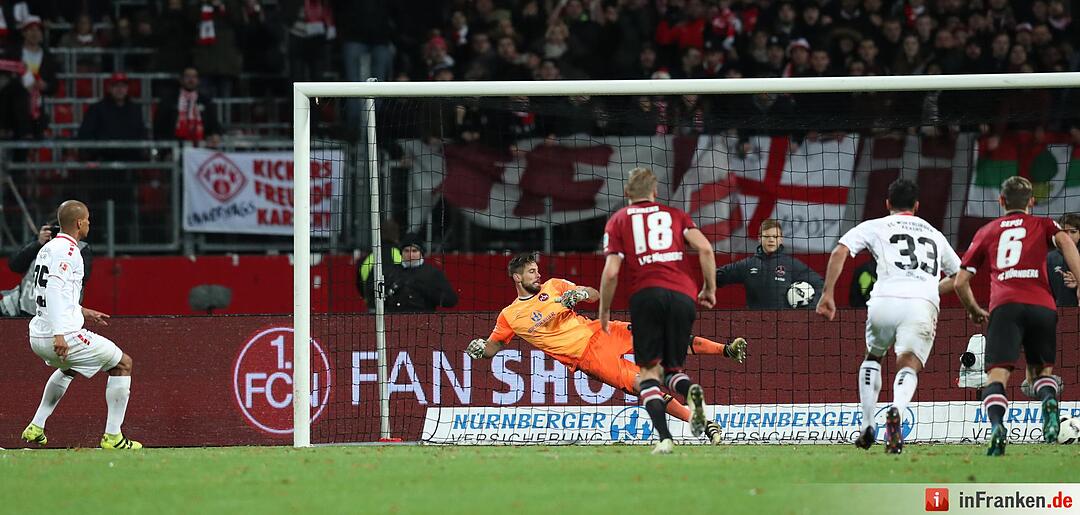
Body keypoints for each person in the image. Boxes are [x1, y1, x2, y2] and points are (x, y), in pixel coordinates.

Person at [466, 253, 745, 446]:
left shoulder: (554, 285)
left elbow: (593, 293)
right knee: (644, 385)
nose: (538, 274)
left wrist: (580, 294)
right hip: (589, 358)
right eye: (531, 271)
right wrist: (479, 348)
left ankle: (726, 350)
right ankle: (703, 423)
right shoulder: (510, 316)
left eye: (537, 269)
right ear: (517, 278)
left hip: (602, 330)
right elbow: (492, 348)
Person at [816, 179, 962, 454]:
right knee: (908, 364)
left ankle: (867, 424)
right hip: (921, 304)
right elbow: (959, 276)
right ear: (917, 206)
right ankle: (897, 409)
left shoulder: (876, 225)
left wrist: (827, 294)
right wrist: (930, 288)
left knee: (874, 356)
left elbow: (840, 251)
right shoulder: (935, 234)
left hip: (883, 300)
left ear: (887, 204)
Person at [953, 176, 1080, 456]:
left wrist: (974, 310)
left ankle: (998, 427)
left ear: (1001, 201)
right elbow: (1067, 245)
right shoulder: (1045, 224)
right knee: (1040, 372)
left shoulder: (988, 230)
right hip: (1042, 305)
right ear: (1032, 202)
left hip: (1005, 306)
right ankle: (1048, 400)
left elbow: (961, 281)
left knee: (996, 376)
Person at [598, 167, 718, 455]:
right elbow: (705, 249)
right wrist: (709, 289)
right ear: (655, 193)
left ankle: (664, 439)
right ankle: (691, 392)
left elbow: (612, 272)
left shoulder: (618, 220)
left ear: (627, 194)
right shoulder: (676, 215)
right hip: (683, 295)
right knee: (672, 370)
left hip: (647, 295)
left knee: (649, 374)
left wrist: (604, 310)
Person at [21, 200, 142, 450]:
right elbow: (53, 289)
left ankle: (36, 426)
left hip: (37, 334)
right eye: (87, 219)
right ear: (78, 223)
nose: (89, 223)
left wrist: (83, 311)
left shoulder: (47, 248)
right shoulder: (68, 251)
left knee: (69, 368)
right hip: (61, 335)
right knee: (122, 364)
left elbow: (47, 292)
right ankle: (113, 437)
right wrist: (60, 334)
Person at [715, 218, 824, 309]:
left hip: (786, 324)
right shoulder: (748, 265)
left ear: (781, 240)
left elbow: (821, 285)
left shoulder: (792, 265)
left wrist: (807, 306)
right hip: (755, 324)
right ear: (759, 239)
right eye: (767, 237)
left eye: (775, 237)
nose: (771, 240)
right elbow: (719, 276)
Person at [1, 223, 92, 317]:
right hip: (27, 309)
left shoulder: (79, 248)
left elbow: (81, 278)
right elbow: (14, 265)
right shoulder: (40, 242)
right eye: (54, 230)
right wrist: (38, 243)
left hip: (59, 313)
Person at [77, 72, 147, 160]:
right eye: (116, 86)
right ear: (109, 88)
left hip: (131, 158)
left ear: (127, 88)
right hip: (104, 159)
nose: (120, 89)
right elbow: (86, 134)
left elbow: (141, 133)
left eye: (123, 86)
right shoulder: (97, 109)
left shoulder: (135, 109)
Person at [153, 66, 223, 147]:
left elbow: (215, 124)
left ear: (198, 80)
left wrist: (215, 134)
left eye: (194, 77)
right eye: (187, 76)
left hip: (201, 146)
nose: (191, 80)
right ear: (181, 79)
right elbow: (159, 126)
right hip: (175, 146)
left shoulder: (206, 101)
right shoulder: (169, 100)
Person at [383, 238, 458, 313]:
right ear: (401, 253)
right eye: (406, 251)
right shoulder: (390, 271)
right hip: (393, 319)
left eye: (414, 251)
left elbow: (450, 301)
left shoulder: (433, 273)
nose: (410, 254)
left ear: (421, 253)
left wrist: (423, 288)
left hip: (423, 319)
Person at [1046, 212, 1080, 307]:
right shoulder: (1050, 258)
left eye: (1073, 232)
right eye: (1064, 232)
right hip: (1059, 313)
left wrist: (1078, 280)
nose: (1068, 236)